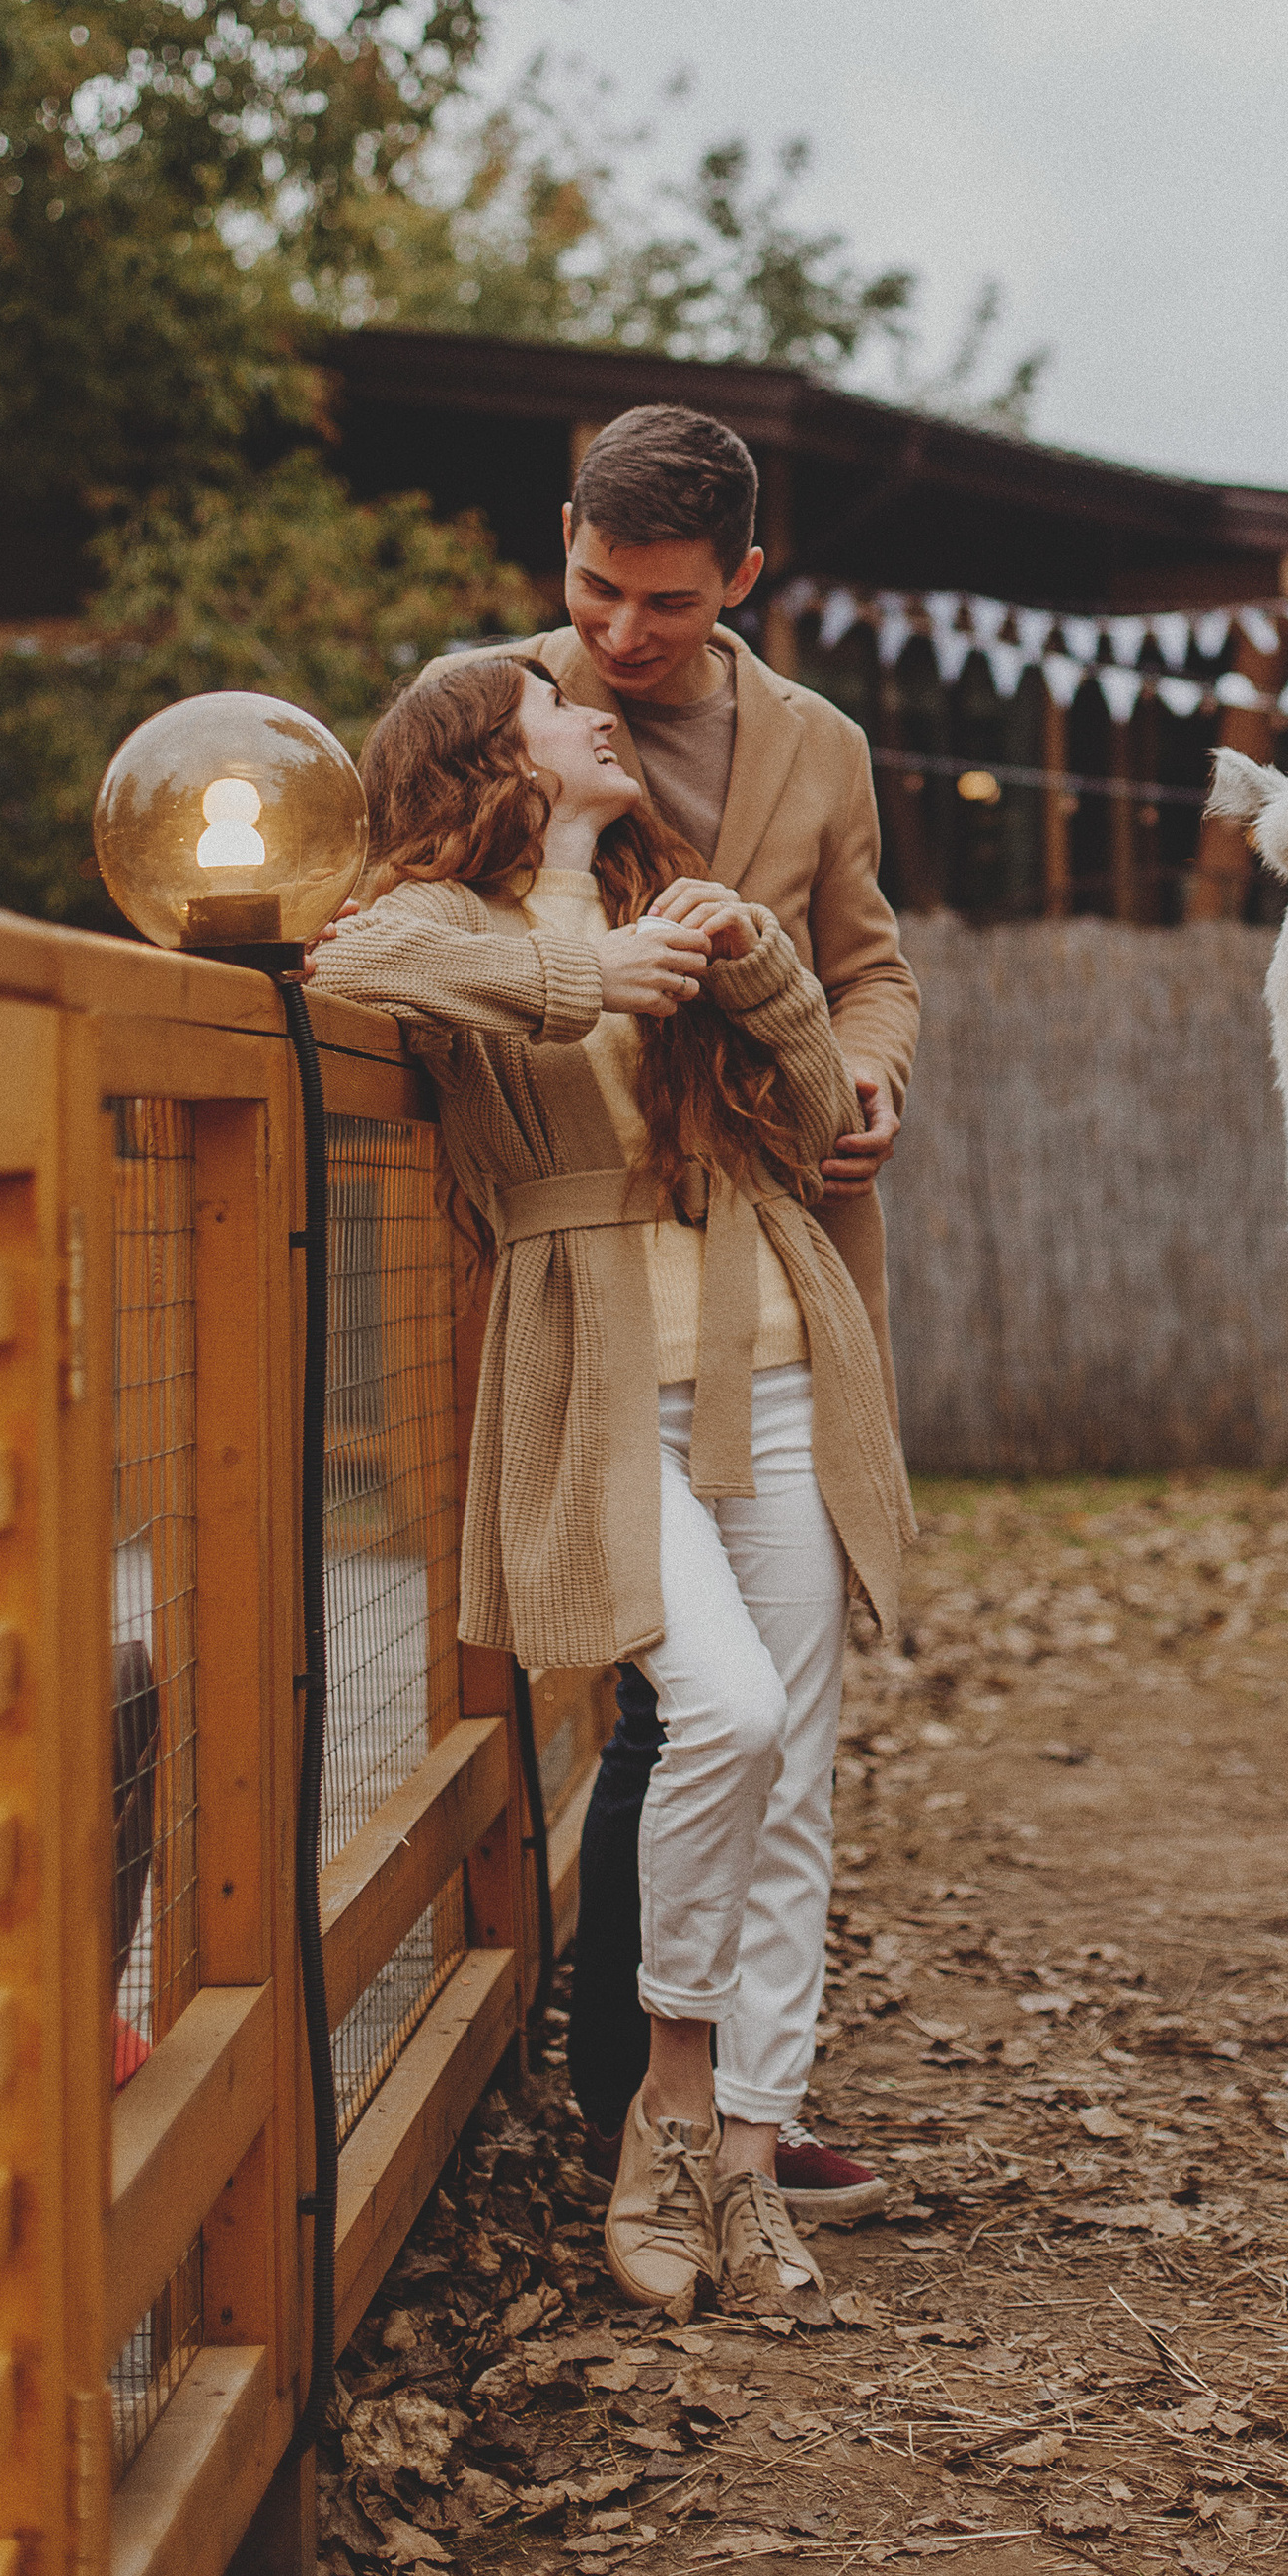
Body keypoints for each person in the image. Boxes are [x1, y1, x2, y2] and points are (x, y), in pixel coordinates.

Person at [320, 653, 917, 2320]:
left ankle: (748, 2156)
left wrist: (766, 967)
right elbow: (377, 965)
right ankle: (665, 2104)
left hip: (782, 1351)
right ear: (492, 760)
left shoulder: (672, 900)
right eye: (552, 710)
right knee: (719, 1710)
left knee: (796, 1765)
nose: (595, 711)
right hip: (598, 1388)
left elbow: (807, 1110)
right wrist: (597, 930)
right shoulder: (427, 924)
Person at [483, 405, 919, 2224]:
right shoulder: (491, 700)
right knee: (686, 1705)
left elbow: (871, 960)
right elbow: (384, 921)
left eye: (666, 602)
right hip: (582, 1276)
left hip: (773, 1259)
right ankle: (632, 2100)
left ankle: (742, 2115)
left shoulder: (816, 741)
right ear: (565, 533)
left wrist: (875, 1070)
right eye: (596, 585)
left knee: (771, 1714)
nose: (623, 633)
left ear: (743, 578)